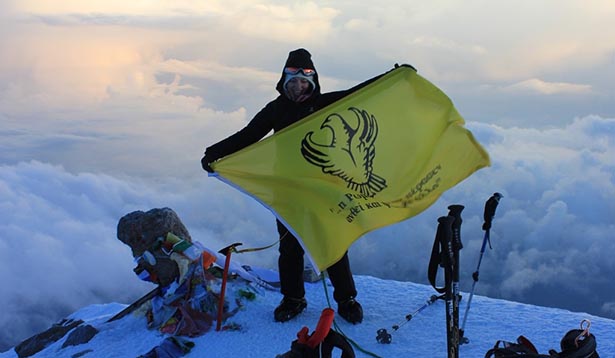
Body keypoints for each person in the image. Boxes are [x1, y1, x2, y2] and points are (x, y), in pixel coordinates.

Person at [202, 48, 381, 324]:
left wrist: (393, 76)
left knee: (331, 243)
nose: (298, 87)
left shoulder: (324, 104)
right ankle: (293, 299)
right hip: (286, 190)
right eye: (293, 82)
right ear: (284, 82)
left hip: (322, 187)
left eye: (303, 82)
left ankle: (346, 300)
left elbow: (360, 94)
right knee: (290, 247)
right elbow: (248, 136)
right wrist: (213, 153)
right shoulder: (275, 110)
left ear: (312, 81)